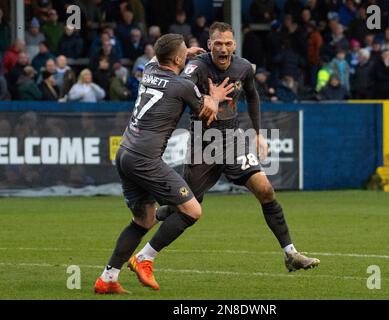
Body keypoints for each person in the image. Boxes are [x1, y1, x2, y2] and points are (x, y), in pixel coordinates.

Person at [157, 22, 320, 272]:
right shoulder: (197, 67)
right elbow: (177, 89)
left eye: (228, 43)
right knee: (190, 205)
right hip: (204, 142)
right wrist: (207, 99)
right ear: (209, 45)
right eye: (218, 44)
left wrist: (257, 133)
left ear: (234, 45)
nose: (223, 49)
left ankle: (291, 254)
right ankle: (153, 229)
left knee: (265, 190)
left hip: (233, 139)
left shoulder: (243, 67)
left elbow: (253, 96)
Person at [93, 33, 232, 294]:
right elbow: (208, 113)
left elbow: (159, 55)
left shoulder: (148, 69)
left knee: (143, 220)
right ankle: (145, 259)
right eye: (184, 53)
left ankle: (108, 278)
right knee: (192, 210)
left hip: (124, 154)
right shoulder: (182, 85)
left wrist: (183, 52)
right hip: (145, 159)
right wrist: (215, 96)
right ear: (179, 58)